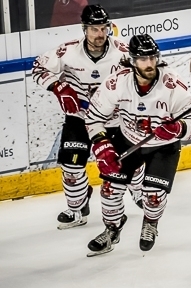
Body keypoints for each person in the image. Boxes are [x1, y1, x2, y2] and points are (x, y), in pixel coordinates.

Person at [83, 33, 191, 255]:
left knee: (152, 196)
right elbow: (93, 117)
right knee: (109, 189)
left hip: (164, 147)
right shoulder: (117, 83)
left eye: (153, 57)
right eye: (143, 59)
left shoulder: (172, 84)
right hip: (128, 141)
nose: (149, 63)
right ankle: (112, 230)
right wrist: (102, 145)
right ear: (132, 60)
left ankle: (150, 223)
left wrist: (177, 129)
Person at [32, 4, 142, 230]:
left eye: (103, 28)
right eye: (94, 29)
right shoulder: (68, 52)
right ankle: (77, 208)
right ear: (84, 29)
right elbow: (38, 68)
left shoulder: (122, 53)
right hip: (79, 118)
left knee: (128, 162)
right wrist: (58, 86)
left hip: (113, 120)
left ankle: (140, 192)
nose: (100, 34)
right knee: (71, 168)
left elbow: (144, 78)